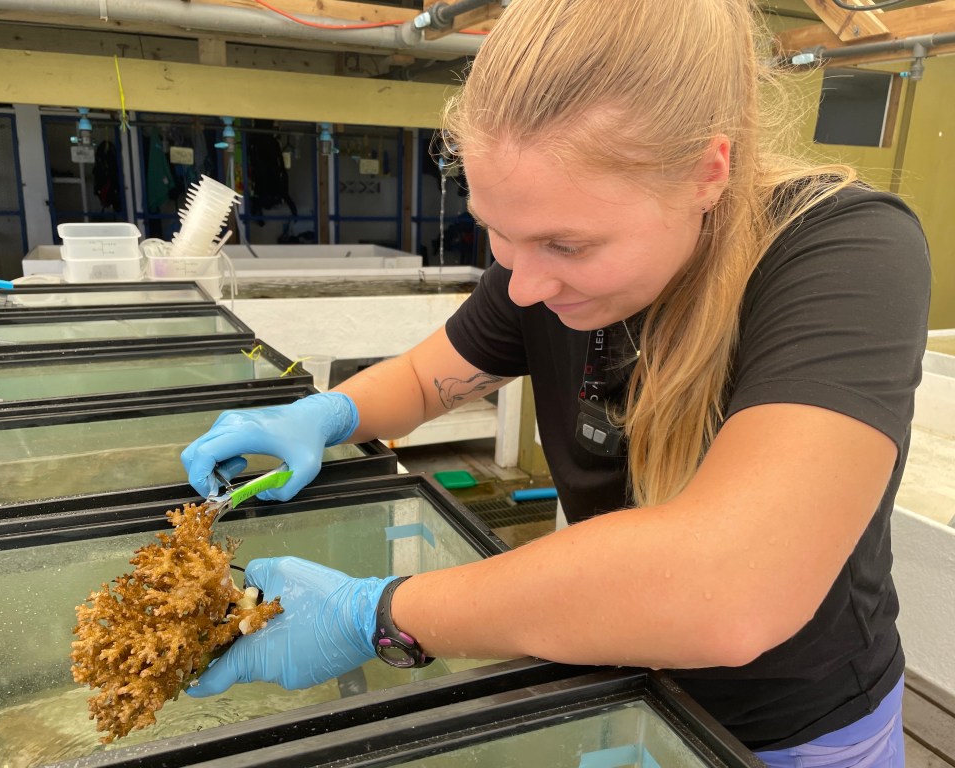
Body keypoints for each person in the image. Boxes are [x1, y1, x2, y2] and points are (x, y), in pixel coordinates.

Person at [179, 1, 930, 764]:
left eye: (566, 244)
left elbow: (733, 587)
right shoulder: (533, 272)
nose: (524, 284)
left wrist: (376, 612)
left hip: (790, 731)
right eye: (496, 231)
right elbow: (423, 377)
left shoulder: (845, 253)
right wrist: (327, 415)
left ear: (708, 173)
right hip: (613, 681)